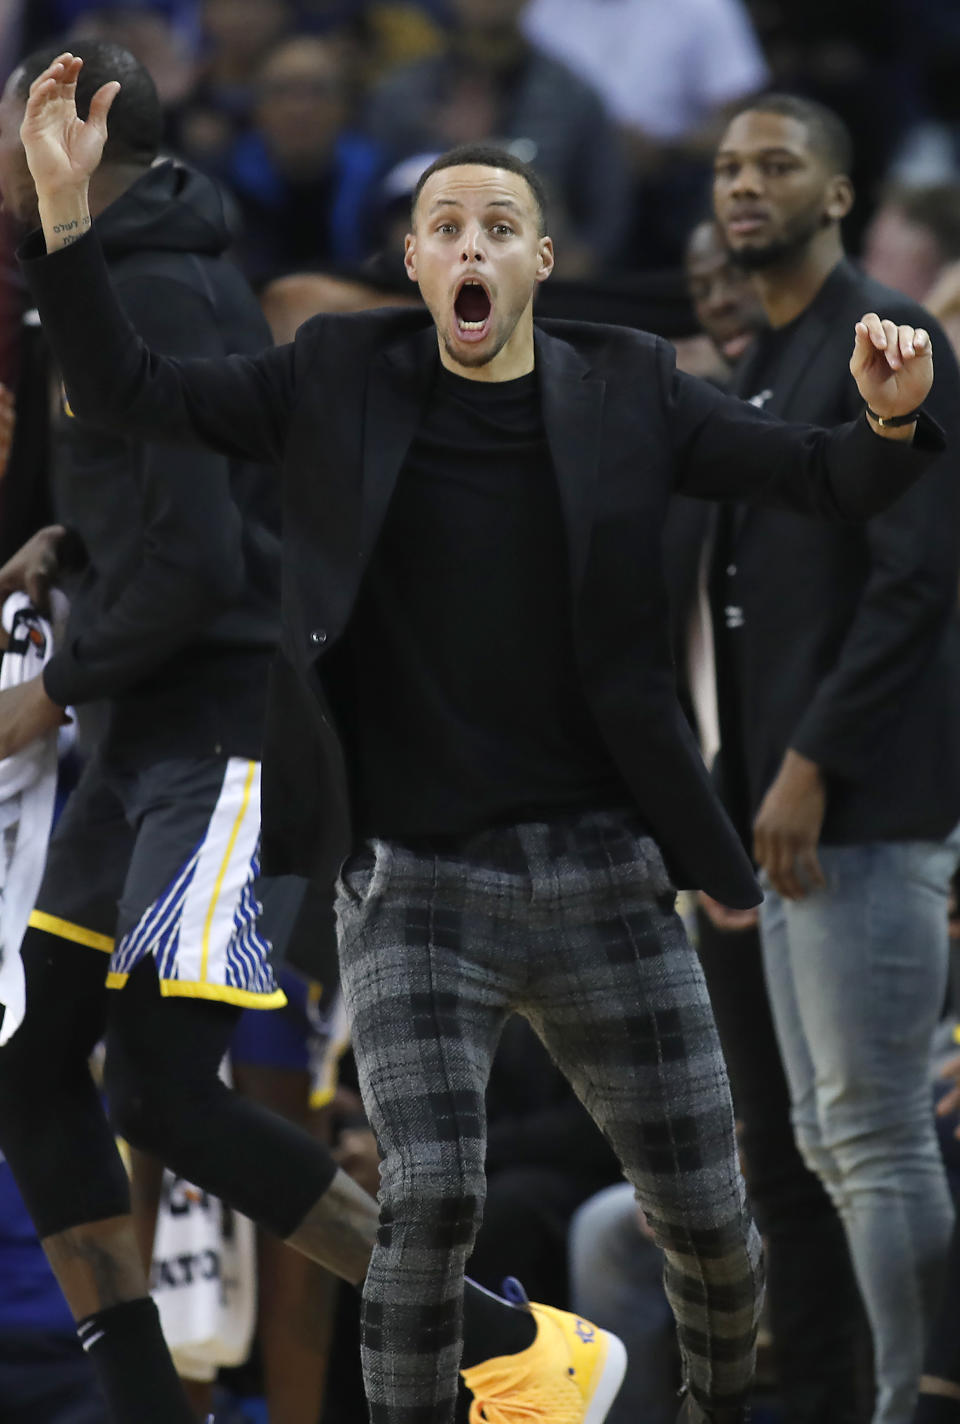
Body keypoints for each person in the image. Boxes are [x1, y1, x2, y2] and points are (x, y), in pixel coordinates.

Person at [12, 53, 946, 1424]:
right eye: (446, 225)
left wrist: (894, 414)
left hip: (607, 874)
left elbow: (823, 479)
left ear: (542, 262)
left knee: (711, 1229)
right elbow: (137, 387)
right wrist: (63, 217)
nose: (470, 246)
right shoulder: (334, 374)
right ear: (411, 257)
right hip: (412, 881)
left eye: (498, 227)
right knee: (428, 1204)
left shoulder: (629, 388)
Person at [0, 42, 613, 1424]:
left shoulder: (152, 277)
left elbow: (209, 562)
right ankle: (154, 1409)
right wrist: (70, 539)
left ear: (78, 130)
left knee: (167, 1089)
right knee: (36, 1068)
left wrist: (54, 682)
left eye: (14, 124)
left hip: (220, 741)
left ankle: (509, 1345)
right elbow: (169, 511)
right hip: (147, 739)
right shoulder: (116, 267)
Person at [712, 93, 960, 1424]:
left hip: (867, 800)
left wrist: (805, 763)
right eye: (729, 168)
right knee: (824, 1139)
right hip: (798, 809)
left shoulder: (890, 335)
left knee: (868, 1135)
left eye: (777, 166)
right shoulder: (776, 355)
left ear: (840, 194)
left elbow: (918, 579)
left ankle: (909, 1406)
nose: (744, 187)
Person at [362, 0, 630, 272]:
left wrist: (567, 270)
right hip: (420, 287)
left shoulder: (572, 97)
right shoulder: (402, 96)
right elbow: (367, 210)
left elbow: (606, 217)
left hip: (544, 289)